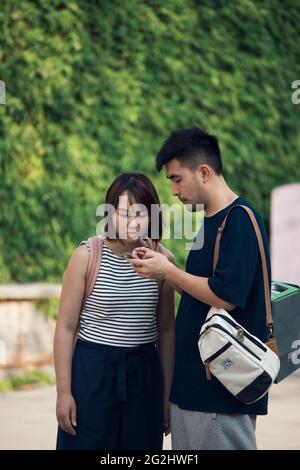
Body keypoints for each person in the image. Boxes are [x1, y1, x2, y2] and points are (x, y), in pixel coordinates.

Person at [128, 128, 271, 450]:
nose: (174, 191)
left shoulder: (240, 222)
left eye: (177, 179)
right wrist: (164, 269)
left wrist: (168, 271)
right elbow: (204, 292)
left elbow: (225, 296)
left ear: (204, 172)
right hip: (197, 387)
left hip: (219, 393)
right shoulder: (213, 221)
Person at [54, 172, 175, 450]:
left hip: (144, 374)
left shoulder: (162, 262)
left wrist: (166, 396)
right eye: (122, 213)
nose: (131, 222)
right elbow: (65, 327)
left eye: (140, 214)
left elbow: (167, 330)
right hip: (92, 373)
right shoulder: (87, 255)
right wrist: (63, 393)